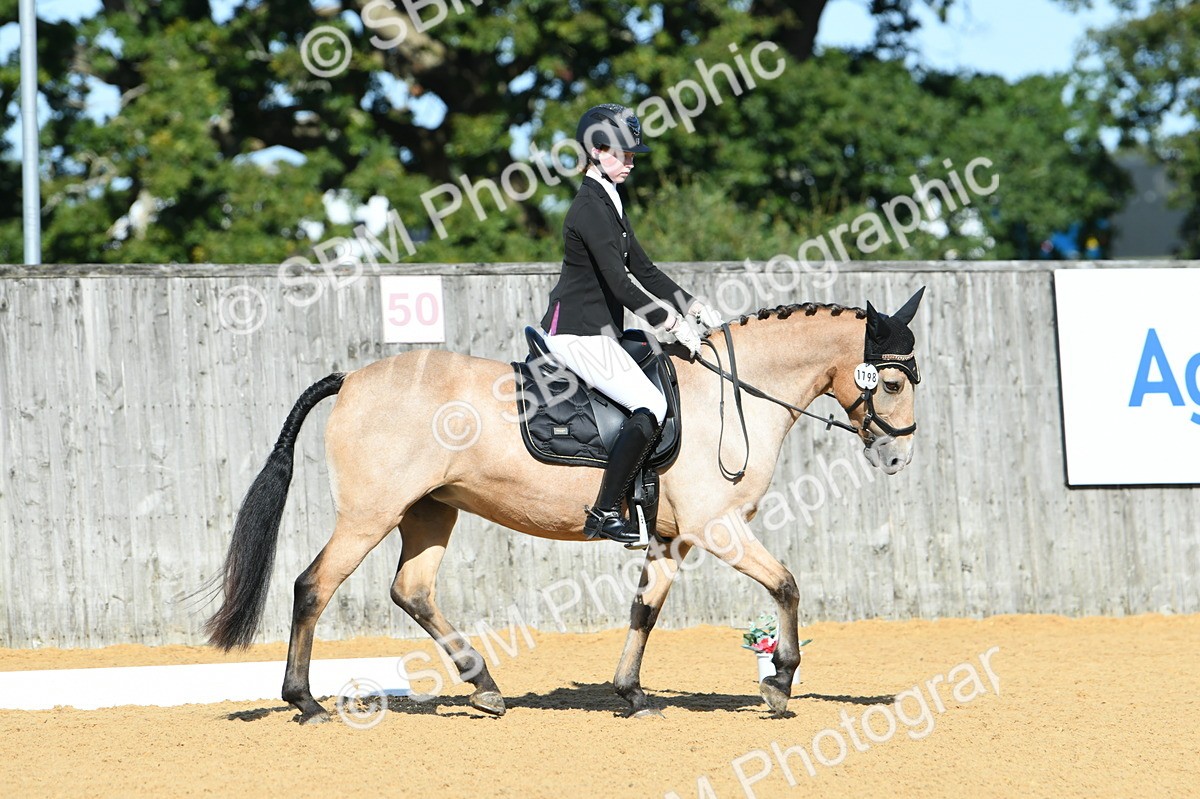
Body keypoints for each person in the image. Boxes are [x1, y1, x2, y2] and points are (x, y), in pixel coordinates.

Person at [539, 103, 723, 544]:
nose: (631, 161)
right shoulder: (588, 207)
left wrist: (692, 304)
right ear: (596, 151)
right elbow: (621, 285)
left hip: (602, 332)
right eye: (623, 154)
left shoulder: (610, 198)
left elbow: (644, 268)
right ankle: (604, 511)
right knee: (650, 406)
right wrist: (670, 322)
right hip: (577, 334)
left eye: (632, 154)